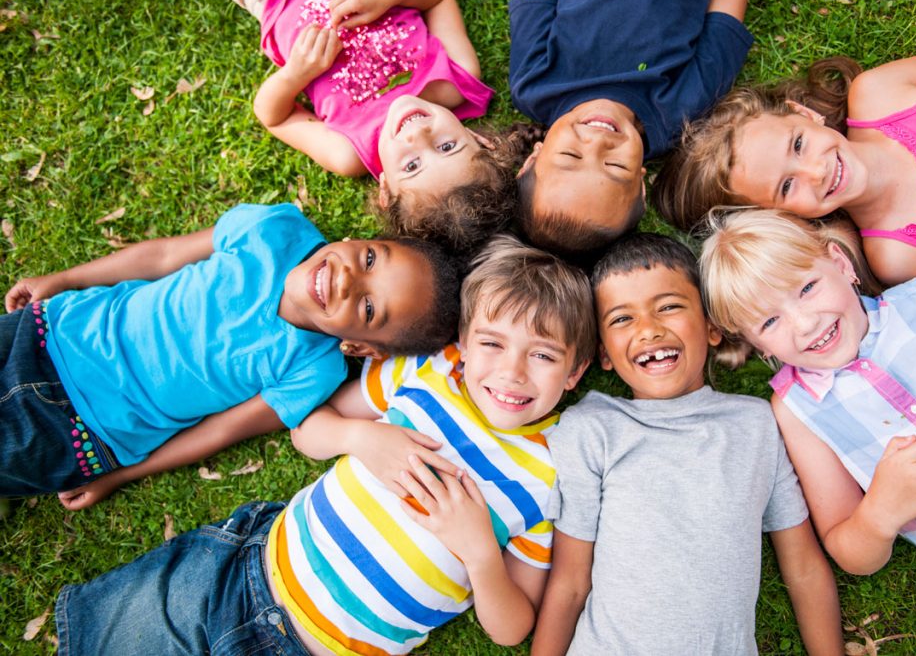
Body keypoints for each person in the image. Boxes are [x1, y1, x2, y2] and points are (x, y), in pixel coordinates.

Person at [56, 234, 597, 655]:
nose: (511, 372)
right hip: (246, 567)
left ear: (576, 372)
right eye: (491, 343)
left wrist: (480, 553)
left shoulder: (548, 477)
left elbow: (513, 628)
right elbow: (306, 427)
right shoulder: (428, 376)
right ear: (462, 340)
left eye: (544, 356)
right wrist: (359, 436)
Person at [2, 202, 460, 510]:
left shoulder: (313, 371)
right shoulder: (275, 229)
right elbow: (163, 256)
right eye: (370, 260)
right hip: (54, 329)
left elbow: (221, 429)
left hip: (80, 431)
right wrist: (64, 279)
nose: (347, 280)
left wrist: (121, 476)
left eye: (368, 307)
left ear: (360, 347)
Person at [700, 208, 916, 625]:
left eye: (807, 288)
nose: (804, 323)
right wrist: (881, 513)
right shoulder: (797, 410)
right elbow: (849, 550)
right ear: (756, 343)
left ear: (840, 263)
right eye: (769, 321)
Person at [530, 232, 843, 655]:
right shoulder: (592, 428)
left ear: (712, 327)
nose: (649, 330)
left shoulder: (756, 425)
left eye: (670, 307)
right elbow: (569, 582)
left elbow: (803, 566)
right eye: (622, 319)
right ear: (604, 354)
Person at [654, 22, 916, 316]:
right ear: (784, 219)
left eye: (798, 145)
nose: (815, 173)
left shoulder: (879, 92)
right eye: (786, 187)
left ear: (805, 114)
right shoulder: (895, 254)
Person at [180, 0, 526, 250]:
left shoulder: (349, 152)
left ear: (386, 191)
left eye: (412, 165)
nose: (418, 134)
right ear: (481, 140)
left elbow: (274, 115)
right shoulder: (455, 80)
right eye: (447, 146)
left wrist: (297, 73)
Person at [508, 0, 770, 258]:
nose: (597, 142)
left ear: (532, 160)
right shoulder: (681, 111)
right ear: (641, 187)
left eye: (570, 156)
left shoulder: (535, 80)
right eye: (616, 165)